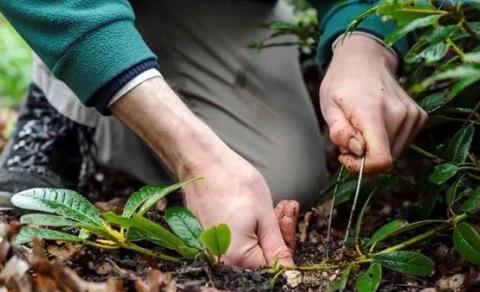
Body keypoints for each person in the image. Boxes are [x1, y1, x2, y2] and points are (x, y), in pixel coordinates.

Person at [0, 0, 427, 269]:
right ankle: (61, 106)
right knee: (230, 188)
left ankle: (134, 93)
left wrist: (367, 39)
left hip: (226, 10)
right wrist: (198, 160)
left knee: (282, 182)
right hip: (79, 5)